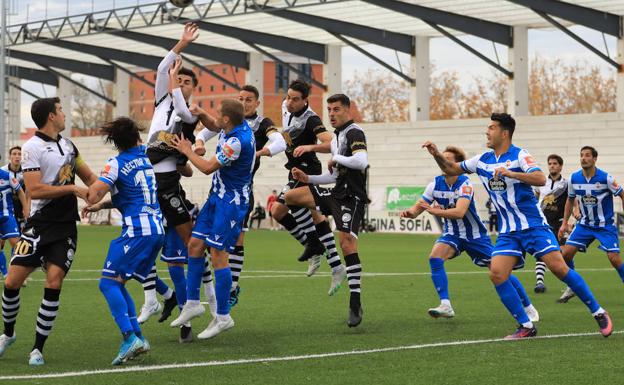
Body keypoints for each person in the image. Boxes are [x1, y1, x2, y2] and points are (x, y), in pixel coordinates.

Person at [423, 112, 612, 339]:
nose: (487, 131)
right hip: (508, 231)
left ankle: (598, 312)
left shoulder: (520, 155)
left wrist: (512, 173)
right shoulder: (482, 159)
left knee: (559, 268)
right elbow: (452, 169)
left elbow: (541, 178)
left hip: (533, 226)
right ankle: (526, 326)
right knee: (497, 274)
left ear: (504, 133)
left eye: (491, 128)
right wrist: (436, 155)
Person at [0, 97, 98, 365]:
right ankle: (8, 334)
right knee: (11, 282)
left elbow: (90, 178)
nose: (64, 114)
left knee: (54, 281)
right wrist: (73, 189)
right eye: (60, 110)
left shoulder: (69, 145)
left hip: (65, 226)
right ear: (51, 117)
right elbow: (35, 189)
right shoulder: (32, 147)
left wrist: (109, 187)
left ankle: (37, 349)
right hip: (39, 224)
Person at [401, 146, 538, 322]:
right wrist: (410, 213)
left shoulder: (465, 184)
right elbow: (419, 207)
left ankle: (528, 307)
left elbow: (459, 212)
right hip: (452, 234)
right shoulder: (434, 183)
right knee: (435, 257)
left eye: (447, 159)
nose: (443, 161)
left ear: (456, 164)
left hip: (476, 237)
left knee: (500, 272)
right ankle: (446, 305)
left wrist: (436, 212)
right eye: (442, 158)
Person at [142, 22, 218, 340]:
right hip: (152, 184)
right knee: (164, 250)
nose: (179, 80)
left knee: (191, 247)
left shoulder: (187, 115)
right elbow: (162, 66)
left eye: (186, 81)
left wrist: (192, 149)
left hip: (169, 186)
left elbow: (196, 128)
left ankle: (210, 307)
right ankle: (174, 305)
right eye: (178, 78)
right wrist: (181, 43)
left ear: (190, 88)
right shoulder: (164, 102)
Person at [169, 99, 254, 339]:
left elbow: (207, 168)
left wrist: (186, 150)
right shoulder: (232, 126)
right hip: (217, 198)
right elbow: (215, 124)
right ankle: (193, 303)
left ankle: (224, 316)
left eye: (219, 114)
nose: (215, 118)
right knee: (194, 246)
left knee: (218, 255)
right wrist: (201, 113)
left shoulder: (237, 142)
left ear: (227, 119)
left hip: (232, 204)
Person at [195, 84, 286, 307]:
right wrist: (198, 144)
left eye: (249, 99)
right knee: (202, 243)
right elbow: (204, 132)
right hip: (218, 190)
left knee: (236, 240)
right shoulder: (230, 121)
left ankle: (232, 286)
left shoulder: (262, 124)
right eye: (241, 98)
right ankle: (210, 288)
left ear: (257, 103)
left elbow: (280, 142)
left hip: (240, 191)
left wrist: (261, 152)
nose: (244, 103)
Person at [83, 117, 165, 365]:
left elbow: (93, 192)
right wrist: (103, 205)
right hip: (156, 228)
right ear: (136, 139)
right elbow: (129, 194)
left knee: (107, 284)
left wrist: (77, 192)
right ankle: (138, 337)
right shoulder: (144, 157)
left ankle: (130, 337)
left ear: (115, 142)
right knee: (117, 283)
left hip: (137, 231)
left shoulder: (116, 164)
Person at [284, 94, 367, 327]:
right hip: (335, 191)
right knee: (290, 197)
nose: (332, 113)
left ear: (348, 110)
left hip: (351, 197)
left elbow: (361, 161)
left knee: (347, 244)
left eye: (337, 109)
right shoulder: (337, 137)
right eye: (329, 109)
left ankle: (355, 302)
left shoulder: (354, 133)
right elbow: (332, 174)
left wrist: (337, 157)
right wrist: (308, 177)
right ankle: (314, 243)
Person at [269, 80, 345, 281]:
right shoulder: (287, 111)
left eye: (295, 99)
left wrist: (311, 147)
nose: (289, 102)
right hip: (293, 170)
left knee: (277, 210)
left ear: (305, 101)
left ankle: (313, 246)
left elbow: (331, 142)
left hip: (306, 170)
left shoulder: (311, 119)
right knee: (315, 216)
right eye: (288, 97)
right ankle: (335, 264)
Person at [557, 146, 624, 303]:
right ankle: (572, 285)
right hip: (584, 225)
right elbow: (570, 199)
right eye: (581, 155)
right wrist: (564, 223)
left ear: (594, 159)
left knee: (614, 258)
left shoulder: (606, 178)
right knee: (566, 254)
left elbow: (621, 193)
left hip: (604, 226)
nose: (583, 158)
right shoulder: (574, 178)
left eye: (587, 156)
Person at [533, 154, 568, 294]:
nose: (552, 166)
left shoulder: (565, 184)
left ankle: (570, 285)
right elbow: (535, 199)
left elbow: (572, 201)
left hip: (558, 223)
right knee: (541, 253)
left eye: (555, 163)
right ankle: (540, 283)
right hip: (543, 223)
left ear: (560, 166)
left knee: (563, 254)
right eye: (550, 163)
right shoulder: (541, 182)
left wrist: (572, 217)